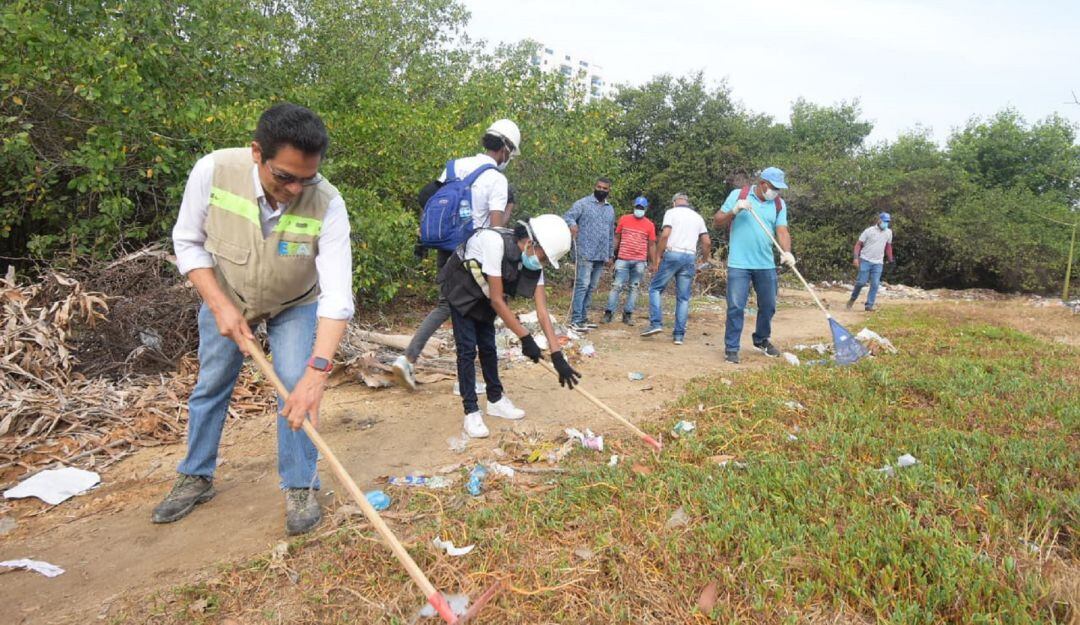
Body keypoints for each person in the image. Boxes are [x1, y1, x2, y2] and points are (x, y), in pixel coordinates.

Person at [160, 103, 353, 535]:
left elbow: (337, 295)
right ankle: (195, 475)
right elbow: (187, 242)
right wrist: (220, 305)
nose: (295, 188)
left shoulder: (328, 202)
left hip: (295, 302)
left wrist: (316, 373)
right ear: (256, 153)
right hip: (227, 293)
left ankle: (301, 484)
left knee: (294, 384)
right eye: (284, 176)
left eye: (307, 178)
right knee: (211, 382)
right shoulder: (213, 171)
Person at [391, 120, 521, 391]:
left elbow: (430, 198)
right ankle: (465, 380)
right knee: (478, 310)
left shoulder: (455, 165)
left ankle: (410, 358)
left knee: (448, 305)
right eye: (511, 152)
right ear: (506, 148)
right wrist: (509, 206)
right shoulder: (497, 178)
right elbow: (496, 229)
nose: (509, 157)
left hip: (445, 246)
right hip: (472, 253)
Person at [438, 215, 581, 437]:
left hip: (486, 291)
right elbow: (497, 299)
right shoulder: (494, 243)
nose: (541, 264)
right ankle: (471, 411)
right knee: (467, 349)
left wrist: (557, 355)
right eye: (543, 257)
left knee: (488, 346)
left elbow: (542, 312)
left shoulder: (532, 259)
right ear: (532, 243)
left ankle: (495, 399)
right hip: (463, 288)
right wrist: (525, 338)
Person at [713, 167, 794, 364]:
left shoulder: (778, 204)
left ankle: (761, 339)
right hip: (739, 264)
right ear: (763, 183)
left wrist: (787, 251)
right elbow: (717, 221)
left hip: (765, 264)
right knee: (735, 307)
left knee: (768, 305)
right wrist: (734, 210)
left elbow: (782, 231)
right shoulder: (738, 195)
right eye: (774, 188)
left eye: (779, 189)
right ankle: (732, 348)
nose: (777, 192)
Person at [640, 193, 710, 344]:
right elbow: (706, 241)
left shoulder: (671, 213)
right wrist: (704, 261)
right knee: (683, 298)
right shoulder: (697, 217)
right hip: (689, 257)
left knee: (655, 289)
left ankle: (656, 323)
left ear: (674, 202)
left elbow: (665, 235)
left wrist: (658, 257)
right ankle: (679, 335)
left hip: (673, 255)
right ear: (687, 202)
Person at [564, 177, 615, 333]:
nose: (601, 190)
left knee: (592, 287)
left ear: (608, 191)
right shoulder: (583, 203)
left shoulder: (610, 209)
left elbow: (610, 232)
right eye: (599, 187)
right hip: (584, 251)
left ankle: (584, 318)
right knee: (582, 285)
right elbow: (567, 216)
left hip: (601, 253)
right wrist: (572, 224)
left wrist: (610, 254)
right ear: (595, 187)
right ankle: (576, 319)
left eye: (604, 188)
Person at [603, 196, 657, 325]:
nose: (639, 209)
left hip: (639, 261)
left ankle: (628, 314)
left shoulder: (649, 225)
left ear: (645, 209)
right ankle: (609, 313)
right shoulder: (624, 219)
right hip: (623, 259)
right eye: (637, 207)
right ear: (634, 207)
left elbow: (651, 245)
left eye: (641, 208)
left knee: (634, 288)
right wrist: (611, 255)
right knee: (616, 286)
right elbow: (617, 238)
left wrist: (654, 263)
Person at [847, 212, 894, 311]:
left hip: (878, 262)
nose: (886, 223)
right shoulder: (869, 231)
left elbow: (888, 246)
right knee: (861, 282)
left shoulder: (888, 232)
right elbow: (858, 244)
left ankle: (869, 305)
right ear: (879, 220)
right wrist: (856, 257)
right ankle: (852, 299)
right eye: (884, 221)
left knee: (875, 284)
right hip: (865, 260)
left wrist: (890, 258)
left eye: (887, 222)